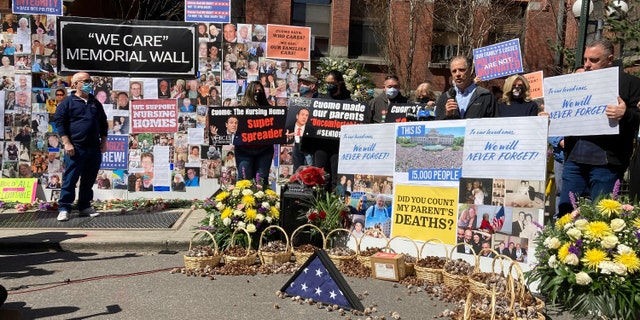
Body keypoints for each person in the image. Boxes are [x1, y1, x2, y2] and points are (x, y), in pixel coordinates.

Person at [558, 40, 640, 216]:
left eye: (593, 60)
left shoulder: (630, 84)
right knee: (566, 213)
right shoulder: (574, 83)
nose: (587, 65)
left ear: (609, 59)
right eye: (585, 59)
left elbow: (637, 118)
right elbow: (562, 111)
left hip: (606, 164)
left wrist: (625, 114)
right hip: (574, 160)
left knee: (600, 215)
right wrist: (550, 118)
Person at [54, 72, 108, 221]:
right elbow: (59, 122)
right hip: (75, 148)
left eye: (89, 81)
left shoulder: (95, 103)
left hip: (93, 148)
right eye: (84, 81)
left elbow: (103, 123)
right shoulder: (68, 102)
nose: (88, 83)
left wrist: (103, 141)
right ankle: (64, 208)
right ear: (75, 84)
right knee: (70, 179)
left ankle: (84, 206)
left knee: (88, 180)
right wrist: (67, 143)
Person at [234, 81, 274, 183]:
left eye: (259, 90)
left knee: (261, 180)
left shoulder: (270, 110)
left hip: (264, 150)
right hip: (243, 150)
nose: (257, 92)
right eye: (255, 90)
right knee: (244, 181)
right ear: (249, 92)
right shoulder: (239, 109)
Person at [286, 107, 316, 171]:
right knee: (296, 149)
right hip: (295, 154)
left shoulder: (311, 130)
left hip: (306, 153)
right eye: (302, 114)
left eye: (306, 115)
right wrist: (287, 139)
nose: (304, 117)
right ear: (297, 116)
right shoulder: (288, 128)